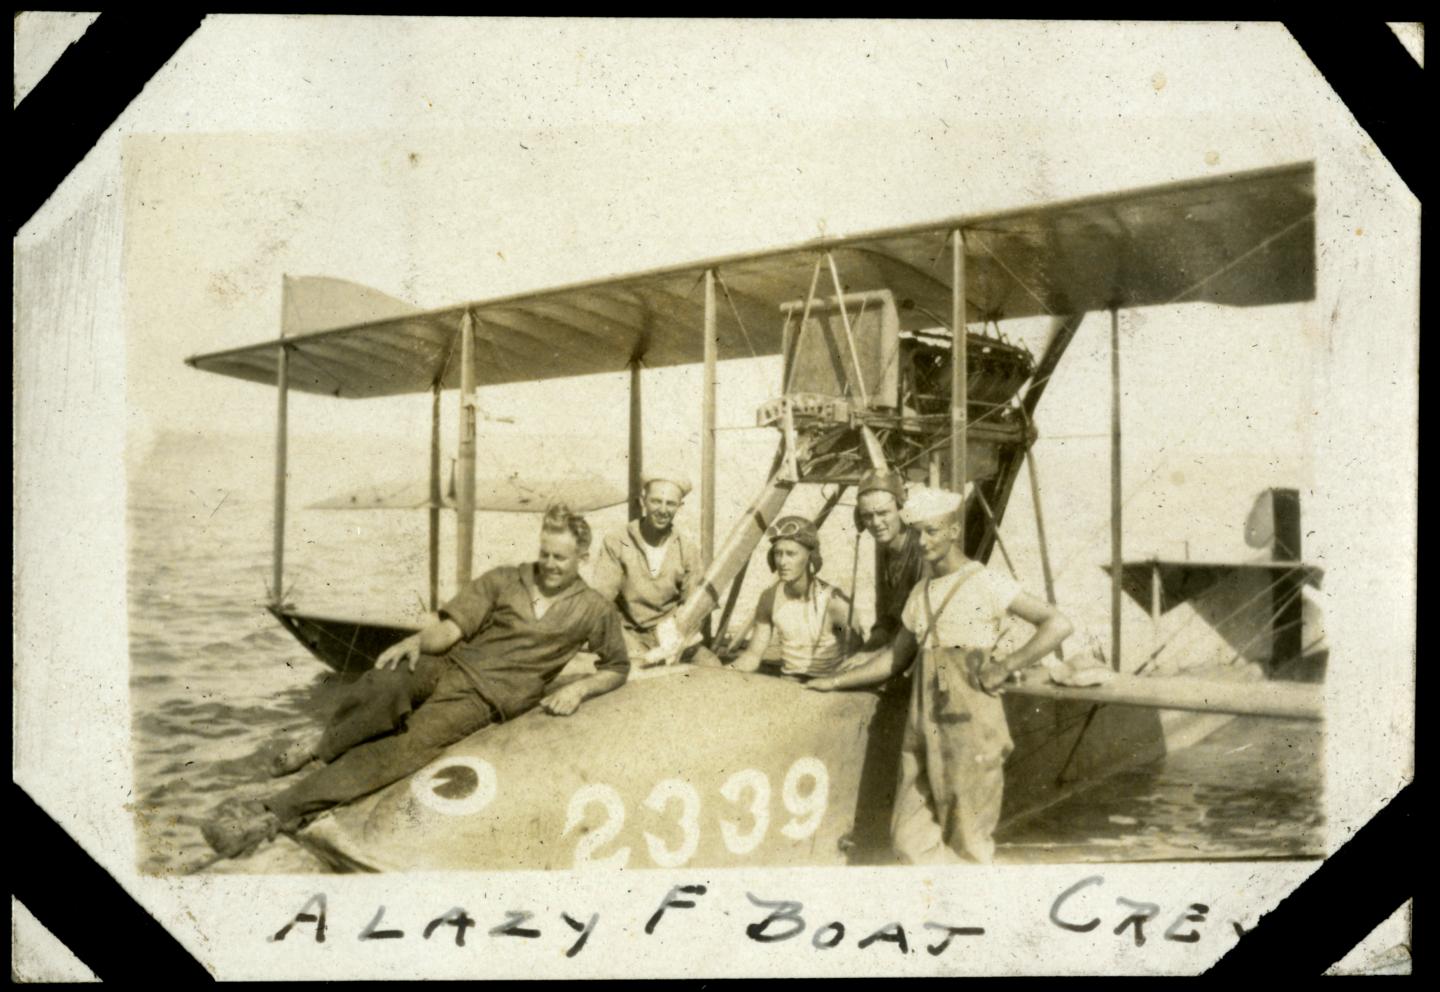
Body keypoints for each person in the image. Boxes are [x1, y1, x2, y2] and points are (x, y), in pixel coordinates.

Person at [201, 504, 630, 858]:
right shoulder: (505, 578)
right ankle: (319, 748)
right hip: (450, 663)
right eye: (545, 553)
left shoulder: (593, 610)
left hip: (484, 697)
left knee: (400, 751)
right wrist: (415, 642)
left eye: (561, 558)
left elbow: (616, 667)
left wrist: (579, 689)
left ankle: (272, 813)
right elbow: (450, 631)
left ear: (582, 558)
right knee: (385, 681)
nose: (550, 565)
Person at [807, 486, 1073, 865]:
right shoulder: (922, 592)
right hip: (924, 727)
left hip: (972, 729)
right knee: (907, 841)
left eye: (931, 531)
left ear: (953, 531)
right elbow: (893, 661)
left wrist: (1006, 666)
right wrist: (832, 682)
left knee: (969, 845)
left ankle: (962, 919)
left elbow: (1057, 623)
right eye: (915, 532)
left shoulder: (986, 582)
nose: (921, 540)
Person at [590, 469, 718, 669]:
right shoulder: (617, 541)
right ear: (643, 501)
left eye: (671, 503)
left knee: (712, 667)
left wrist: (676, 640)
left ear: (679, 507)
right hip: (627, 634)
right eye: (656, 501)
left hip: (670, 635)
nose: (663, 510)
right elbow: (601, 603)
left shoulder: (687, 549)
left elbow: (694, 606)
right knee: (636, 675)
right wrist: (632, 647)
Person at [731, 516, 863, 680]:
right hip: (788, 684)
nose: (783, 562)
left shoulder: (834, 603)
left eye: (791, 554)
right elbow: (752, 656)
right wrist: (722, 674)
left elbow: (857, 658)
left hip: (827, 687)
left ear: (810, 557)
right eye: (778, 553)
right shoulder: (769, 597)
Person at [854, 467, 926, 650]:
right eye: (867, 516)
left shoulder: (922, 551)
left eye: (883, 513)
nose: (876, 523)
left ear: (901, 510)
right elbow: (889, 617)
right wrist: (867, 648)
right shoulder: (884, 548)